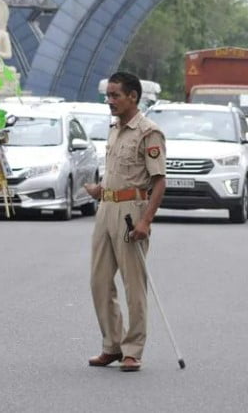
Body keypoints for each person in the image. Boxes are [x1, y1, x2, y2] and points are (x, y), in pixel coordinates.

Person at [84, 72, 166, 372]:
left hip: (132, 211)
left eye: (115, 95)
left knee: (134, 285)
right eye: (108, 95)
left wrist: (145, 221)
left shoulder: (149, 132)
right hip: (106, 207)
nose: (110, 101)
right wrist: (98, 190)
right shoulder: (114, 128)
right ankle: (112, 345)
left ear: (133, 96)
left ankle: (133, 350)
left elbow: (159, 181)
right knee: (99, 281)